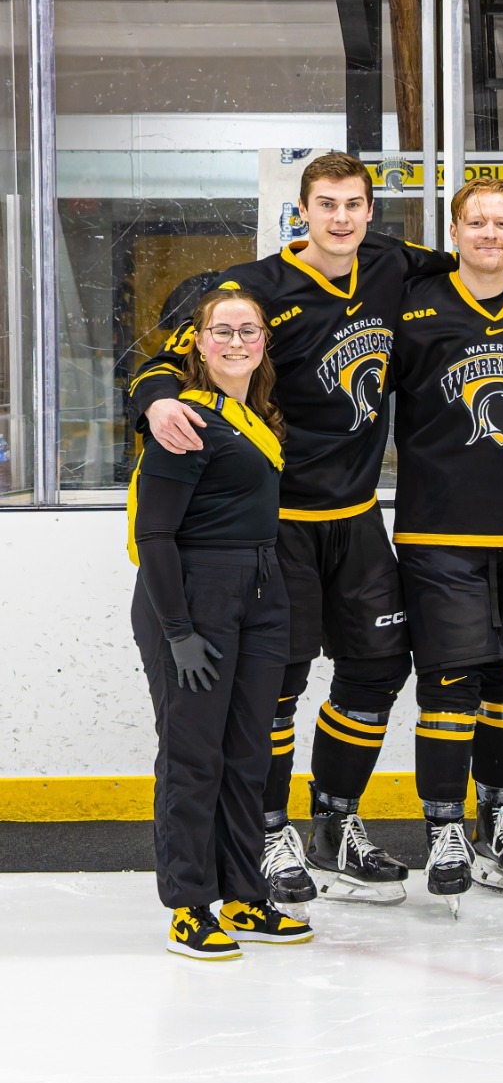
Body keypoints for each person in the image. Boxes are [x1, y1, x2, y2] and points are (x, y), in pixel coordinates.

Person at [127, 151, 503, 911]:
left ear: (371, 213)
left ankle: (336, 819)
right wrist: (153, 402)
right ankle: (271, 830)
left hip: (359, 518)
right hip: (279, 527)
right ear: (301, 212)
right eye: (326, 204)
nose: (340, 218)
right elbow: (169, 352)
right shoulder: (257, 288)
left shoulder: (387, 264)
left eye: (353, 205)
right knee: (277, 687)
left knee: (377, 669)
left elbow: (475, 251)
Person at [386, 178, 503, 911]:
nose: (489, 234)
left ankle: (499, 810)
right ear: (455, 231)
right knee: (449, 683)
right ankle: (443, 826)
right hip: (439, 529)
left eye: (502, 224)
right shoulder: (416, 306)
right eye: (476, 222)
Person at [130, 288, 311, 957]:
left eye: (249, 330)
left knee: (247, 756)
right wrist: (176, 628)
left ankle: (243, 894)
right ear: (200, 343)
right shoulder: (184, 419)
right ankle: (187, 903)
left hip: (260, 592)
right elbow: (154, 534)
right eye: (222, 331)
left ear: (264, 340)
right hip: (192, 594)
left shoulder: (255, 413)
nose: (237, 341)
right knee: (193, 756)